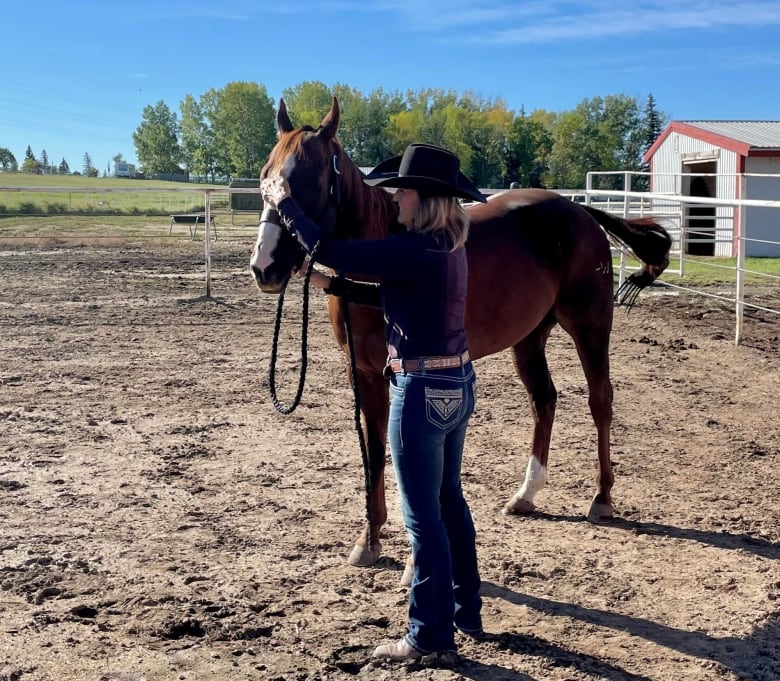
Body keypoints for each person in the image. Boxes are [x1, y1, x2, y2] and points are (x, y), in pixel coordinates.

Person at [260, 143, 485, 663]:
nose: (396, 200)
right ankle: (464, 608)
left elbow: (332, 247)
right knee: (449, 500)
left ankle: (428, 635)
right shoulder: (446, 249)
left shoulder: (409, 248)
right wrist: (330, 285)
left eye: (403, 192)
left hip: (419, 392)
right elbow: (396, 295)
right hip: (456, 385)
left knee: (421, 518)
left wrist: (284, 203)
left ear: (423, 199)